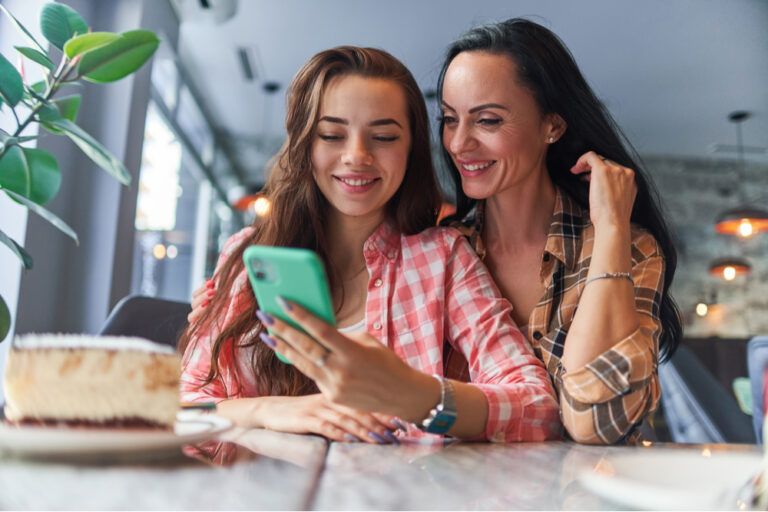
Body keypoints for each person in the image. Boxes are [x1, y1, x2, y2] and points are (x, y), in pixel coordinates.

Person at [178, 46, 561, 444]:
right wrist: (268, 409)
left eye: (382, 136)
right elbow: (182, 404)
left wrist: (415, 395)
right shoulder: (247, 255)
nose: (356, 156)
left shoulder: (441, 259)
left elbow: (537, 408)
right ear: (304, 143)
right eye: (331, 134)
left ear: (411, 149)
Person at [436, 18, 682, 444]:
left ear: (552, 126)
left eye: (487, 121)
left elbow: (599, 421)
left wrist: (609, 228)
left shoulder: (632, 249)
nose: (458, 143)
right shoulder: (439, 254)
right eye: (449, 119)